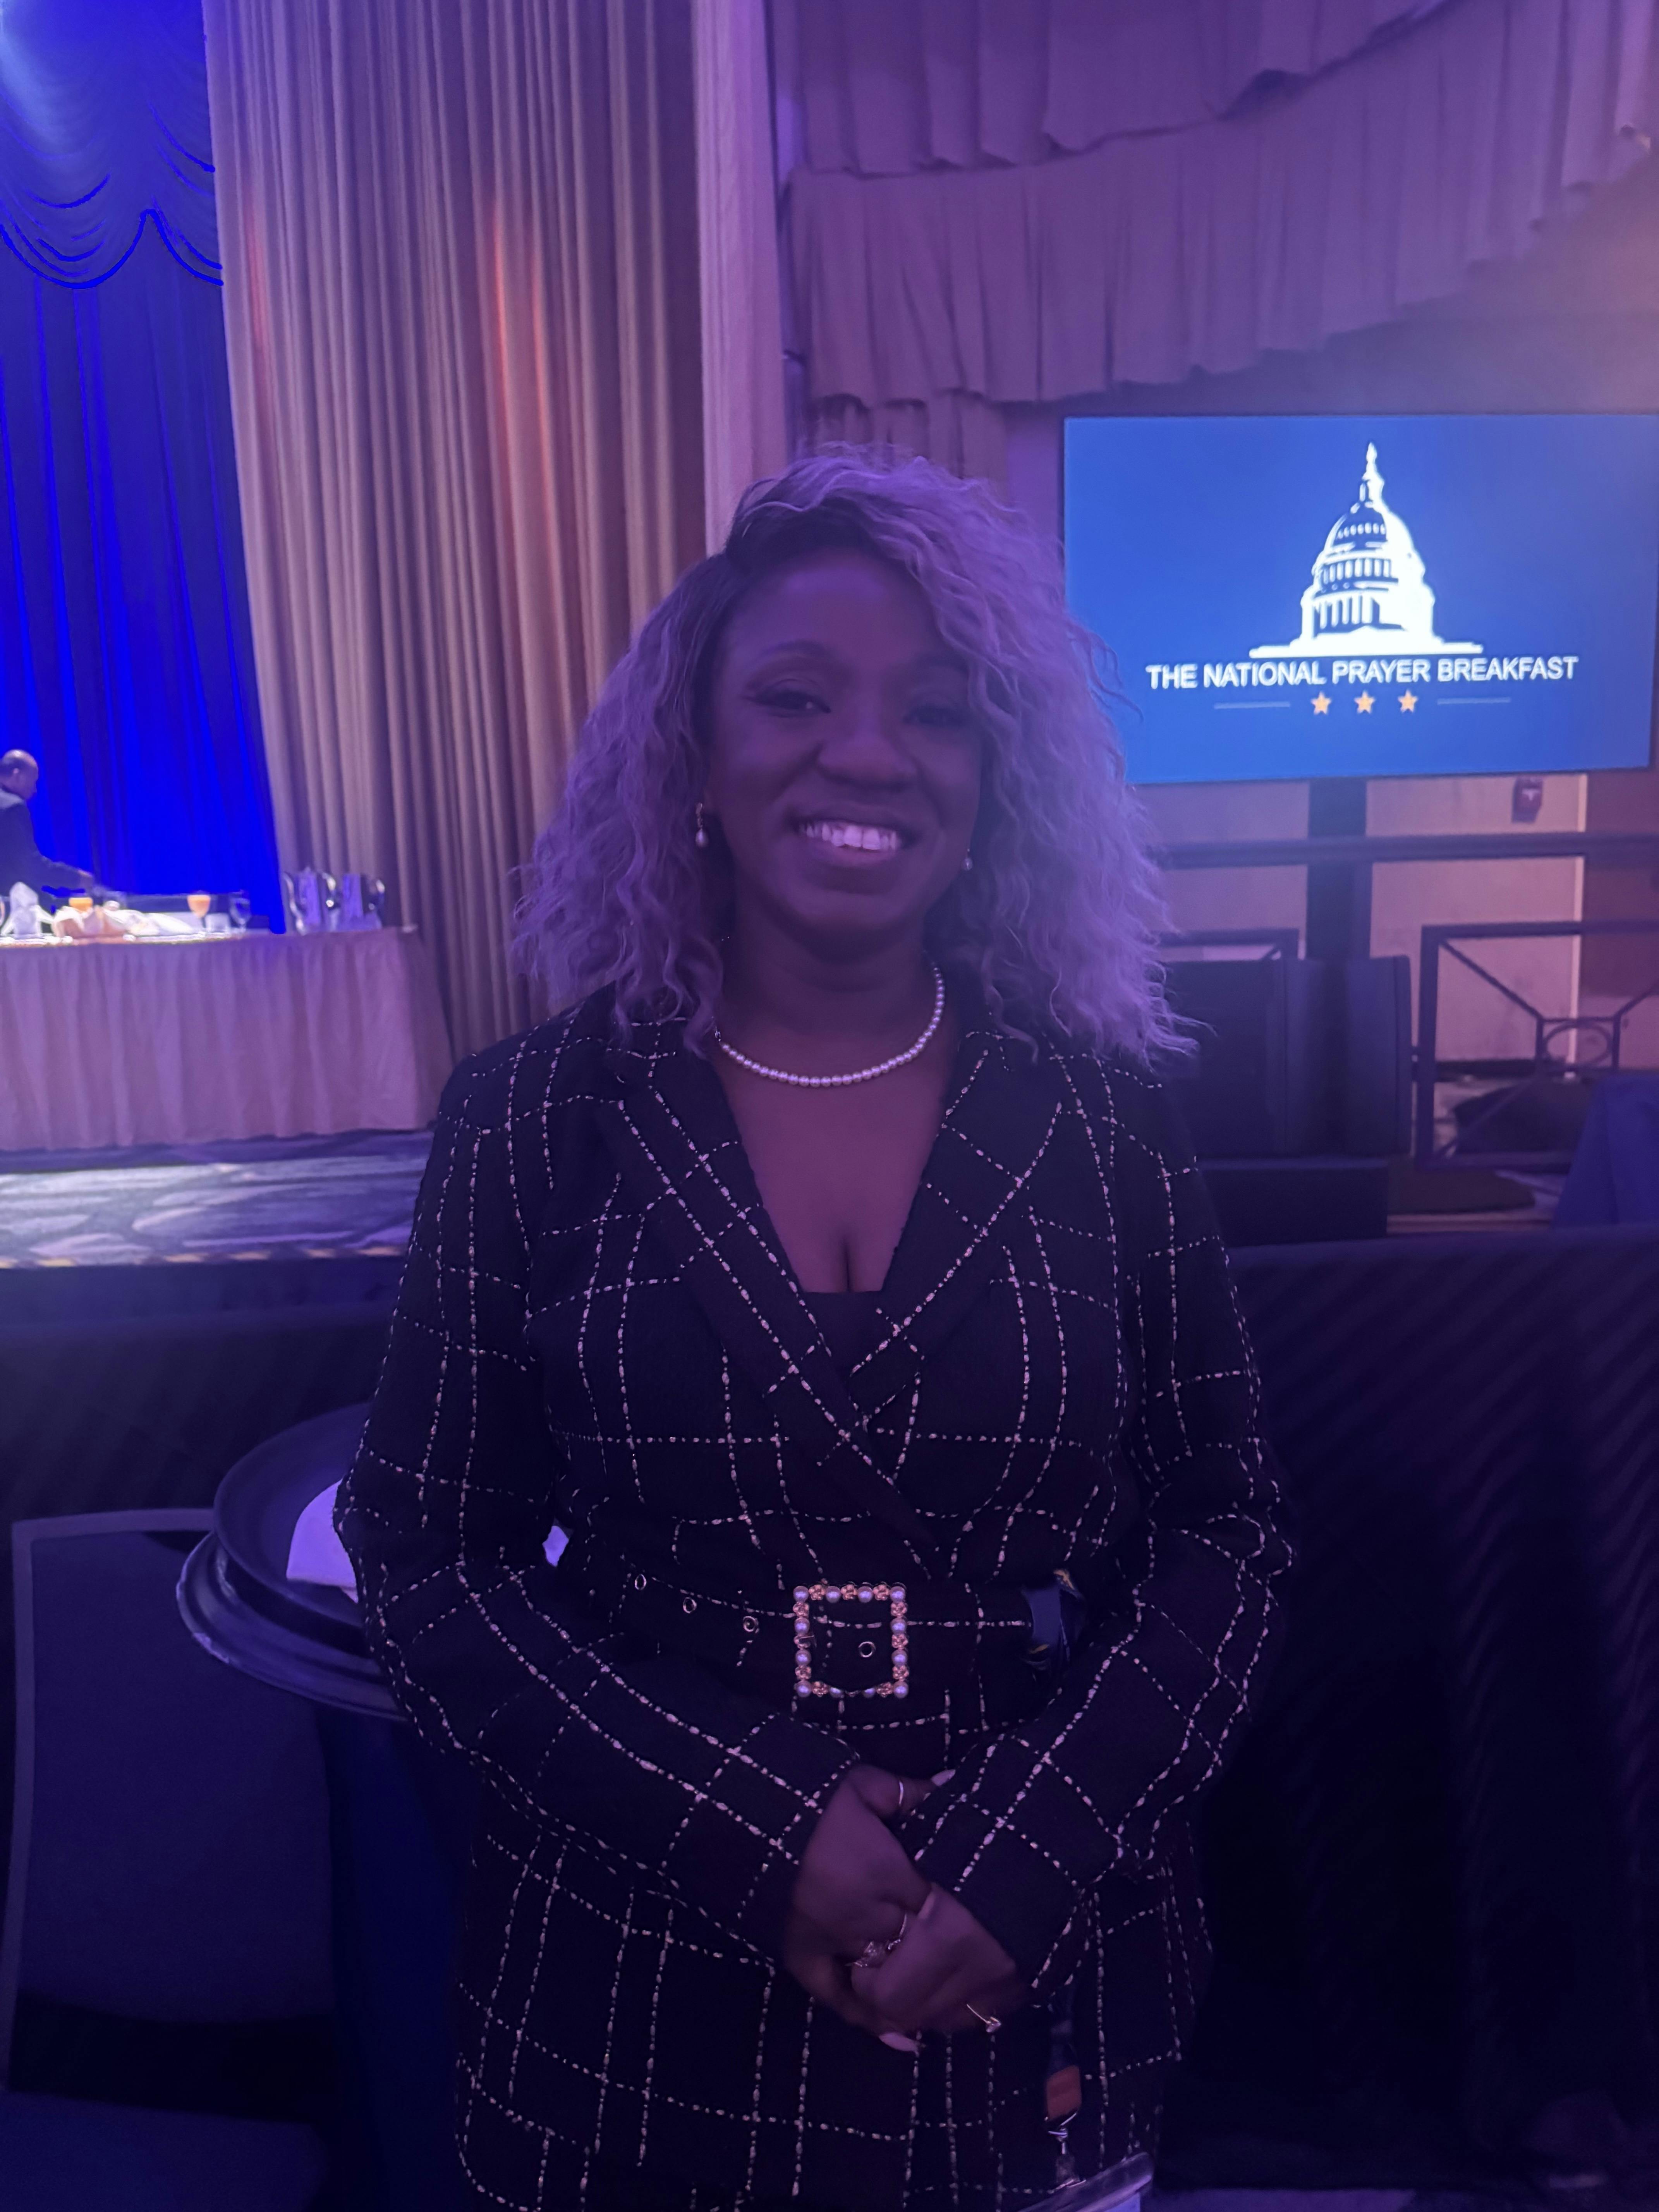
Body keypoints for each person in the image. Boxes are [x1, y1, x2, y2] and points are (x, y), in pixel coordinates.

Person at [337, 451, 1292, 2212]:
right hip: (635, 1985)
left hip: (1038, 1975)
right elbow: (424, 1556)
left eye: (935, 712)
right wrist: (758, 1828)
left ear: (998, 778)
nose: (867, 754)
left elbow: (1224, 1529)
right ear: (693, 754)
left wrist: (1029, 1856)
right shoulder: (531, 1117)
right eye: (796, 698)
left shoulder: (1106, 1116)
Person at [0, 750, 96, 897]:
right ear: (17, 775)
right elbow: (31, 866)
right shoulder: (12, 808)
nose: (35, 790)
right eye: (33, 782)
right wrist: (77, 878)